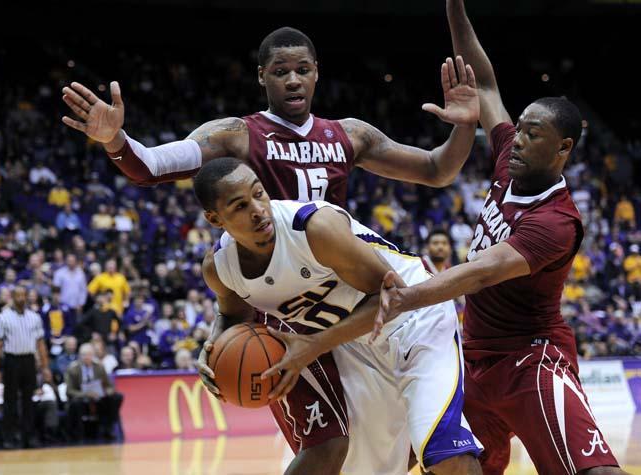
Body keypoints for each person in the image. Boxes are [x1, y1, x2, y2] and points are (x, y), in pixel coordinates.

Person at [62, 25, 480, 469]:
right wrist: (115, 142)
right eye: (281, 71)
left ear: (317, 73)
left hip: (349, 293)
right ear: (262, 76)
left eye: (302, 70)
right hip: (286, 312)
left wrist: (465, 127)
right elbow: (151, 165)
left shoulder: (348, 135)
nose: (293, 80)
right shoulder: (237, 135)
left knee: (388, 451)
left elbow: (437, 169)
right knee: (332, 448)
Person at [375, 1, 623, 473]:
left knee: (596, 470)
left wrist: (408, 298)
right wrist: (454, 7)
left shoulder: (556, 221)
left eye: (533, 134)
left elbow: (483, 271)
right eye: (520, 130)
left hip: (529, 360)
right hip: (474, 361)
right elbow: (485, 83)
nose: (519, 140)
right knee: (432, 463)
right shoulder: (509, 154)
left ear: (563, 148)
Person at [193, 159, 482, 474]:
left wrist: (314, 344)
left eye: (259, 194)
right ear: (215, 218)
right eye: (239, 206)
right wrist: (212, 345)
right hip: (354, 344)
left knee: (448, 455)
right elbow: (233, 317)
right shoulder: (220, 269)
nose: (258, 209)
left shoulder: (314, 229)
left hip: (414, 321)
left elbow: (392, 297)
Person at [0, 286, 52, 449]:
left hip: (29, 361)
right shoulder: (3, 317)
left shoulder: (35, 317)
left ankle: (29, 437)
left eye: (23, 295)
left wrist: (45, 367)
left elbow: (41, 344)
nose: (21, 298)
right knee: (10, 401)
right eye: (18, 295)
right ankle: (9, 437)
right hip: (11, 360)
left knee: (29, 401)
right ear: (12, 297)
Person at [65, 343, 123, 440]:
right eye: (84, 355)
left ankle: (108, 429)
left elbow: (109, 386)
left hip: (98, 397)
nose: (86, 357)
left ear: (93, 355)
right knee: (75, 403)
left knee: (116, 397)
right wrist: (85, 394)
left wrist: (105, 393)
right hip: (81, 398)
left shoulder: (99, 367)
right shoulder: (72, 369)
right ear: (79, 356)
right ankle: (78, 434)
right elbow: (69, 391)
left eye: (89, 354)